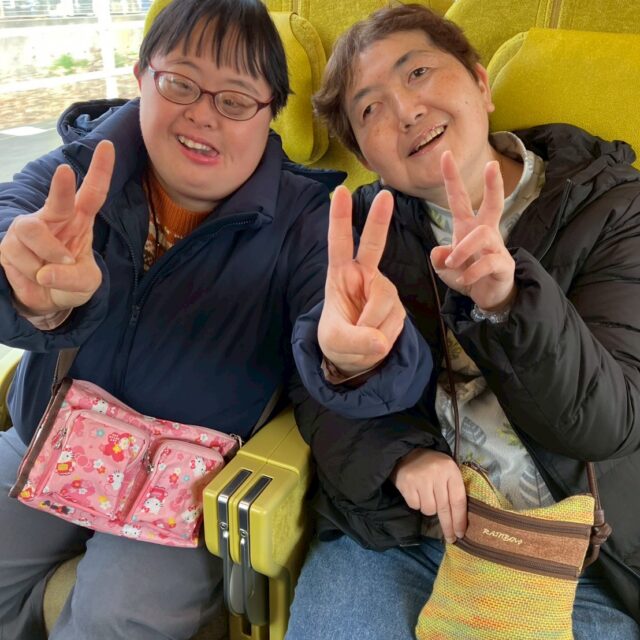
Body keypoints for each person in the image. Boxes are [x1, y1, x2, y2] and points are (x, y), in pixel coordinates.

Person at [0, 1, 432, 638]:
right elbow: (12, 220)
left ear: (270, 113)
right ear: (141, 77)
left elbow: (346, 328)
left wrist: (355, 360)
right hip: (44, 438)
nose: (203, 113)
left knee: (116, 614)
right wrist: (33, 290)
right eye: (180, 83)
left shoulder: (308, 222)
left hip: (185, 488)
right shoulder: (78, 175)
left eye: (235, 100)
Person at [287, 4, 640, 639]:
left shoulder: (613, 207)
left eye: (418, 72)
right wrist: (393, 446)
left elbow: (608, 423)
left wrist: (508, 303)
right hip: (401, 539)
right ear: (366, 154)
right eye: (370, 109)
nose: (405, 110)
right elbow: (312, 394)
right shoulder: (356, 234)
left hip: (578, 559)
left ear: (480, 81)